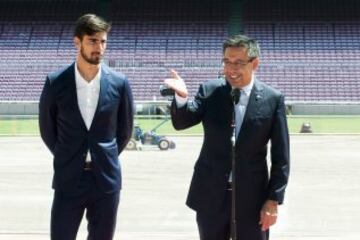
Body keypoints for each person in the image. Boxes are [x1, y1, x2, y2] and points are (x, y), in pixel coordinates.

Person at [164, 34, 290, 240]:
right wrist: (181, 98)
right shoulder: (211, 90)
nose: (231, 69)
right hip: (211, 195)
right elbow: (183, 121)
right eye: (227, 62)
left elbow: (281, 158)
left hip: (253, 199)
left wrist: (273, 200)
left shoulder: (272, 99)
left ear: (255, 63)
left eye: (239, 63)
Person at [39, 14, 134, 240]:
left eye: (103, 41)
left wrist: (104, 155)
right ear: (77, 42)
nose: (99, 47)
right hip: (69, 178)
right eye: (92, 41)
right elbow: (47, 130)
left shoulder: (120, 83)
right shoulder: (56, 82)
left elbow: (124, 131)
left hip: (106, 180)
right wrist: (70, 154)